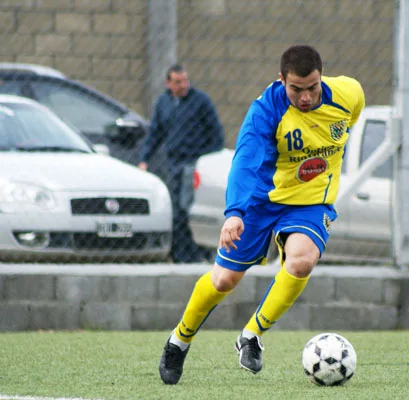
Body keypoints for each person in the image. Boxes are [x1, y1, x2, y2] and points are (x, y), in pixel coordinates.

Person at [158, 45, 365, 385]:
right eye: (296, 89)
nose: (305, 97)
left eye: (312, 87)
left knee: (302, 260)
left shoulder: (349, 94)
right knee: (223, 280)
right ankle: (178, 341)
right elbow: (244, 162)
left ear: (321, 76)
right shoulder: (264, 112)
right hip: (261, 202)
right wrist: (235, 213)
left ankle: (251, 335)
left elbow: (346, 123)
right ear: (281, 80)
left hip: (309, 203)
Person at [139, 64, 224, 263]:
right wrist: (144, 159)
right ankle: (181, 254)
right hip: (173, 163)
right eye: (177, 82)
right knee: (175, 209)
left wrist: (204, 159)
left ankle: (192, 254)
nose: (183, 85)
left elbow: (216, 135)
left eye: (185, 80)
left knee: (185, 208)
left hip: (193, 163)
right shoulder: (164, 103)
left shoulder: (200, 101)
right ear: (168, 83)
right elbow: (155, 133)